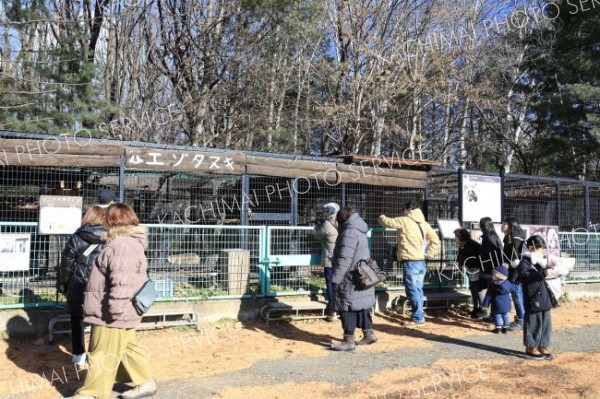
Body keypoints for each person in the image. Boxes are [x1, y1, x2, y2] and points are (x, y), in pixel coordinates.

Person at [70, 203, 156, 399]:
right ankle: (146, 383)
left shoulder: (122, 244)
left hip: (111, 311)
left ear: (112, 220)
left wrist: (115, 310)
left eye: (106, 217)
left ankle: (92, 393)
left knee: (101, 352)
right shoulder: (126, 242)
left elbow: (122, 281)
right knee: (128, 347)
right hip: (120, 309)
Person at [58, 206, 106, 371]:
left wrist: (63, 283)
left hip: (79, 283)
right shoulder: (111, 237)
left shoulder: (77, 237)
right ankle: (96, 353)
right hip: (100, 284)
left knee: (77, 319)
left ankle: (79, 356)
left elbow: (66, 263)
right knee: (98, 319)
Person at [378, 200, 440, 327]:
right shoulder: (425, 224)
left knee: (412, 290)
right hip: (421, 261)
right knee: (417, 289)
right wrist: (428, 254)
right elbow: (436, 241)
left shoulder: (404, 220)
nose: (403, 212)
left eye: (403, 209)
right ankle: (418, 315)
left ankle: (418, 318)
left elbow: (387, 222)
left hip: (410, 262)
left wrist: (380, 215)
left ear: (409, 210)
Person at [330, 207, 376, 351]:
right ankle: (369, 334)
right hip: (362, 274)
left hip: (349, 278)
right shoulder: (359, 229)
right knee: (361, 305)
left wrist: (336, 278)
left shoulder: (348, 233)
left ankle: (348, 340)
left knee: (347, 306)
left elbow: (344, 258)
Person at [518, 235, 558, 360]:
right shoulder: (524, 262)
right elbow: (525, 276)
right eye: (539, 249)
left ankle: (543, 346)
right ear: (530, 248)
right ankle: (531, 348)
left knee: (546, 322)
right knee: (533, 322)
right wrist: (542, 273)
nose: (541, 251)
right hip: (533, 297)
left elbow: (544, 273)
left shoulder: (540, 261)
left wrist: (553, 269)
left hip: (544, 296)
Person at [313, 202, 340, 321]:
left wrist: (317, 226)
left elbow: (317, 235)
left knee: (330, 283)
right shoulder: (342, 222)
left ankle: (332, 309)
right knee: (340, 283)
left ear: (329, 212)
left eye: (325, 211)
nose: (324, 213)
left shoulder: (327, 224)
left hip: (330, 259)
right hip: (342, 259)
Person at [453, 228, 485, 319]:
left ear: (461, 237)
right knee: (473, 288)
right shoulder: (463, 245)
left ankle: (483, 310)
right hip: (470, 269)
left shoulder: (472, 245)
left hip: (476, 269)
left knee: (477, 290)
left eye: (456, 236)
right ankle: (476, 308)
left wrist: (463, 259)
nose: (454, 238)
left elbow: (473, 260)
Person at [501, 217, 527, 330]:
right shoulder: (512, 236)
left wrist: (513, 276)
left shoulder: (515, 238)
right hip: (516, 271)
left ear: (511, 225)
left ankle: (522, 320)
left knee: (517, 296)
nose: (502, 225)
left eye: (504, 224)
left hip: (517, 272)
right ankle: (520, 319)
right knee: (517, 295)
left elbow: (516, 257)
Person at [482, 264, 515, 334]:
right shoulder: (508, 283)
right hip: (506, 303)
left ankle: (498, 328)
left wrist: (485, 305)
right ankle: (506, 327)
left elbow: (488, 296)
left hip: (497, 303)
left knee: (497, 315)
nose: (492, 276)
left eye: (493, 274)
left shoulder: (493, 285)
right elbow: (513, 289)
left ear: (498, 276)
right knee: (505, 315)